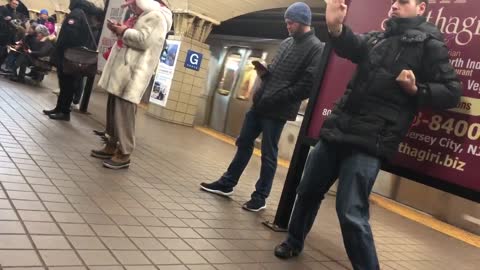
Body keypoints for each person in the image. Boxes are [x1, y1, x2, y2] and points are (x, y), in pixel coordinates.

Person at [273, 1, 462, 269]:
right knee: (307, 190)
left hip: (371, 140)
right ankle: (293, 241)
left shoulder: (430, 45)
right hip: (338, 130)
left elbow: (452, 91)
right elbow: (351, 45)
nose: (395, 6)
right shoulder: (379, 36)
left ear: (421, 8)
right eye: (394, 2)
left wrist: (417, 88)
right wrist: (335, 27)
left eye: (403, 2)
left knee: (351, 211)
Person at [200, 2, 324, 212]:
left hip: (278, 109)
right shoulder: (286, 43)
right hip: (261, 103)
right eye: (287, 22)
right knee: (244, 142)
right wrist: (264, 74)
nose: (288, 26)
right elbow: (275, 71)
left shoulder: (316, 48)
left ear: (303, 22)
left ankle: (261, 196)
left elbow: (307, 85)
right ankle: (227, 183)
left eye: (291, 22)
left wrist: (276, 97)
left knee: (268, 152)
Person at [91, 0, 173, 170]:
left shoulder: (156, 16)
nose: (130, 6)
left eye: (133, 3)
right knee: (113, 110)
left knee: (124, 114)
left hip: (133, 74)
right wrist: (122, 30)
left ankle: (125, 153)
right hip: (122, 72)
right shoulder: (142, 16)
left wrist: (124, 31)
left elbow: (144, 41)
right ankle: (111, 145)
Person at [42, 0, 104, 121]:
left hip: (68, 54)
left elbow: (70, 35)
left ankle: (64, 111)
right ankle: (59, 108)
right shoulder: (85, 13)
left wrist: (61, 46)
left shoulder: (77, 13)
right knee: (66, 84)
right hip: (72, 55)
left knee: (67, 84)